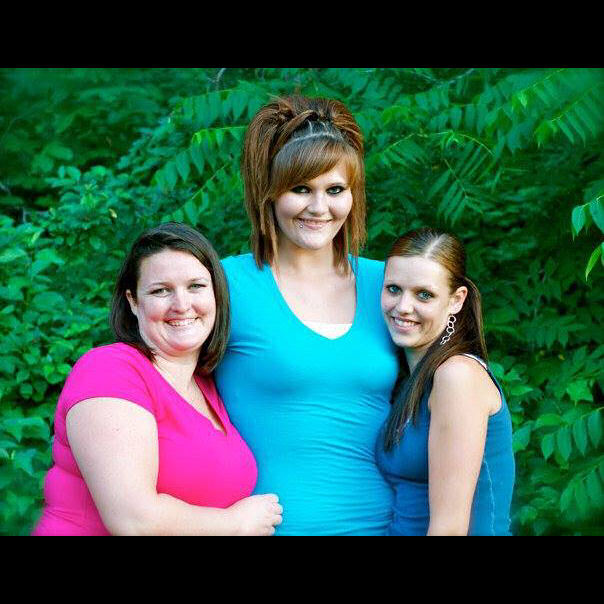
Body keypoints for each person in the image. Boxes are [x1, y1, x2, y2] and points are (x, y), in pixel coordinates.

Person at [214, 95, 398, 535]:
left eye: (335, 190)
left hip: (389, 525)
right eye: (301, 189)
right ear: (269, 192)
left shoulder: (390, 285)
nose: (319, 208)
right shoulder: (223, 285)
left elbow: (453, 383)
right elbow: (162, 391)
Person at [32, 222, 282, 535]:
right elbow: (133, 521)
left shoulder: (206, 385)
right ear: (133, 302)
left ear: (217, 295)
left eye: (196, 286)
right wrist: (237, 524)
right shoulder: (110, 371)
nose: (182, 305)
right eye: (160, 290)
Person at [375, 227, 515, 536]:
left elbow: (449, 528)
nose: (403, 306)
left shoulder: (457, 376)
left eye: (424, 295)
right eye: (394, 289)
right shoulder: (413, 381)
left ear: (456, 300)